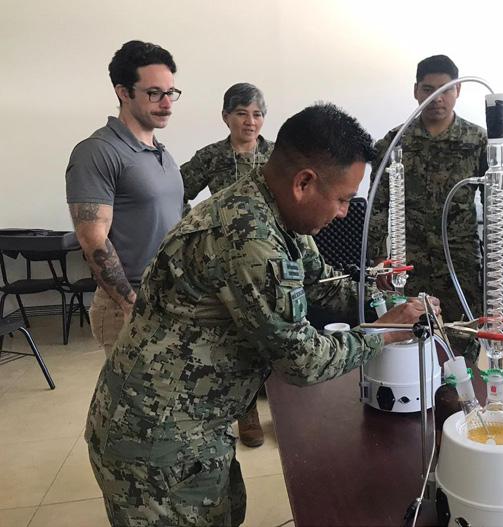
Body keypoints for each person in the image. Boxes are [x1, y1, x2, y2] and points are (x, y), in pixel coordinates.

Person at [85, 103, 439, 527]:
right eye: (343, 199)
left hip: (196, 425)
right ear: (304, 182)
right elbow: (302, 360)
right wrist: (384, 331)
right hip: (156, 439)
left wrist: (384, 297)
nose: (345, 212)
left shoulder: (274, 208)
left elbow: (320, 282)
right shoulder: (249, 237)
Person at [65, 40, 184, 358]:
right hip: (129, 304)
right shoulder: (98, 151)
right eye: (154, 93)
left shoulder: (162, 153)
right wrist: (131, 304)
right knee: (134, 392)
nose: (167, 103)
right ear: (123, 92)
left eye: (170, 92)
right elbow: (93, 238)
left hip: (170, 299)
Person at [368, 54, 487, 359]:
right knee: (412, 340)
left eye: (445, 90)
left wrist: (494, 267)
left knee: (461, 340)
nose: (437, 98)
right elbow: (377, 205)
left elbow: (494, 205)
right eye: (428, 89)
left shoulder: (477, 141)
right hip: (410, 263)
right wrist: (379, 259)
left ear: (458, 90)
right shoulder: (395, 142)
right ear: (416, 91)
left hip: (459, 263)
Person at [180, 83, 274, 448]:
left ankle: (280, 408)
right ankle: (246, 414)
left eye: (257, 114)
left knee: (272, 332)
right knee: (234, 337)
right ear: (226, 117)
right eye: (241, 113)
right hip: (225, 264)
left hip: (269, 259)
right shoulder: (211, 157)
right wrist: (196, 230)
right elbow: (175, 191)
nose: (250, 122)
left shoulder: (276, 155)